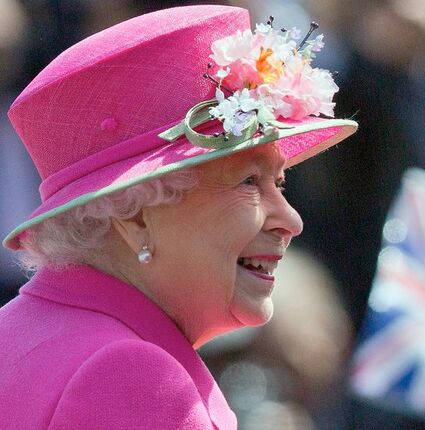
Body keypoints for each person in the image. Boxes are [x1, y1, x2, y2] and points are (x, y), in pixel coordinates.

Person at [0, 5, 357, 429]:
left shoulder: (17, 333)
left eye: (278, 184)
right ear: (134, 216)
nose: (290, 220)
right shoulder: (133, 375)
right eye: (247, 183)